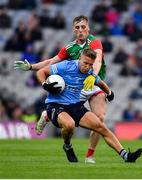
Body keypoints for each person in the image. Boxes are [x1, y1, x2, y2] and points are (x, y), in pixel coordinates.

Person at [15, 15, 111, 163]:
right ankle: (47, 115)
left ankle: (89, 156)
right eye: (77, 27)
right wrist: (31, 67)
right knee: (68, 119)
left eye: (83, 27)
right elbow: (51, 62)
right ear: (74, 30)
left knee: (100, 119)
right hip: (76, 86)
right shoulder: (69, 48)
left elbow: (97, 59)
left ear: (88, 29)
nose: (80, 30)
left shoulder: (95, 42)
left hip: (93, 83)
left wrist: (94, 76)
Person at [36, 48, 142, 163]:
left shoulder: (89, 73)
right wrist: (44, 84)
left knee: (101, 127)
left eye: (90, 64)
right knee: (70, 125)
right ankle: (67, 146)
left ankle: (126, 156)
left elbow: (100, 82)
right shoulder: (66, 66)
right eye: (85, 63)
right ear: (79, 59)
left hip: (75, 106)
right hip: (55, 105)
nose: (87, 66)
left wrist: (109, 93)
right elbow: (41, 72)